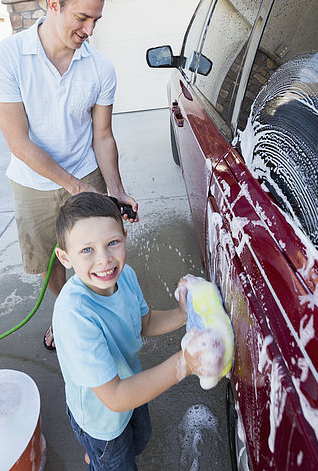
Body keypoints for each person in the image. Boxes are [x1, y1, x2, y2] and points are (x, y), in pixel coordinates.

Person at [0, 0, 137, 350]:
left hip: (85, 169)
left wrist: (115, 189)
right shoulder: (4, 59)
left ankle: (100, 315)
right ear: (53, 4)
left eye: (96, 21)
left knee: (98, 254)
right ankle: (65, 313)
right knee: (50, 261)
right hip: (32, 180)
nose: (88, 30)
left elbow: (102, 135)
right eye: (82, 17)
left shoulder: (101, 68)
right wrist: (75, 188)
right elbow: (19, 143)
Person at [52, 192, 211, 471]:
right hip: (102, 419)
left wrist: (182, 314)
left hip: (130, 387)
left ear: (124, 236)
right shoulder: (74, 315)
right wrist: (182, 365)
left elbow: (145, 323)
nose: (104, 259)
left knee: (140, 439)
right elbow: (114, 397)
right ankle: (96, 455)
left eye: (112, 243)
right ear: (65, 258)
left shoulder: (126, 276)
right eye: (87, 250)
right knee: (114, 460)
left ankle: (96, 455)